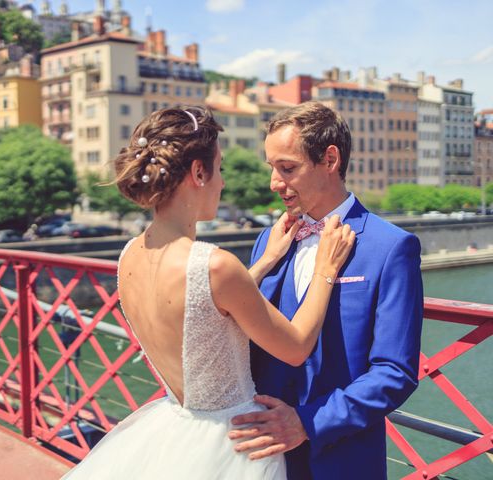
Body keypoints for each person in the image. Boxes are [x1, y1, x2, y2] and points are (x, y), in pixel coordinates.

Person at [62, 106, 355, 479]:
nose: (222, 182)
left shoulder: (130, 256)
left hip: (175, 429)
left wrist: (263, 264)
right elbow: (296, 348)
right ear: (198, 172)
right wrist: (325, 271)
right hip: (232, 444)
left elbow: (204, 310)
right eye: (220, 169)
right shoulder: (215, 265)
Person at [229, 102, 424, 479]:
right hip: (260, 458)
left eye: (287, 168)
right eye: (272, 167)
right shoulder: (269, 240)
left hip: (340, 458)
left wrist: (305, 423)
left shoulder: (391, 247)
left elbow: (395, 371)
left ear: (330, 159)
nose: (273, 182)